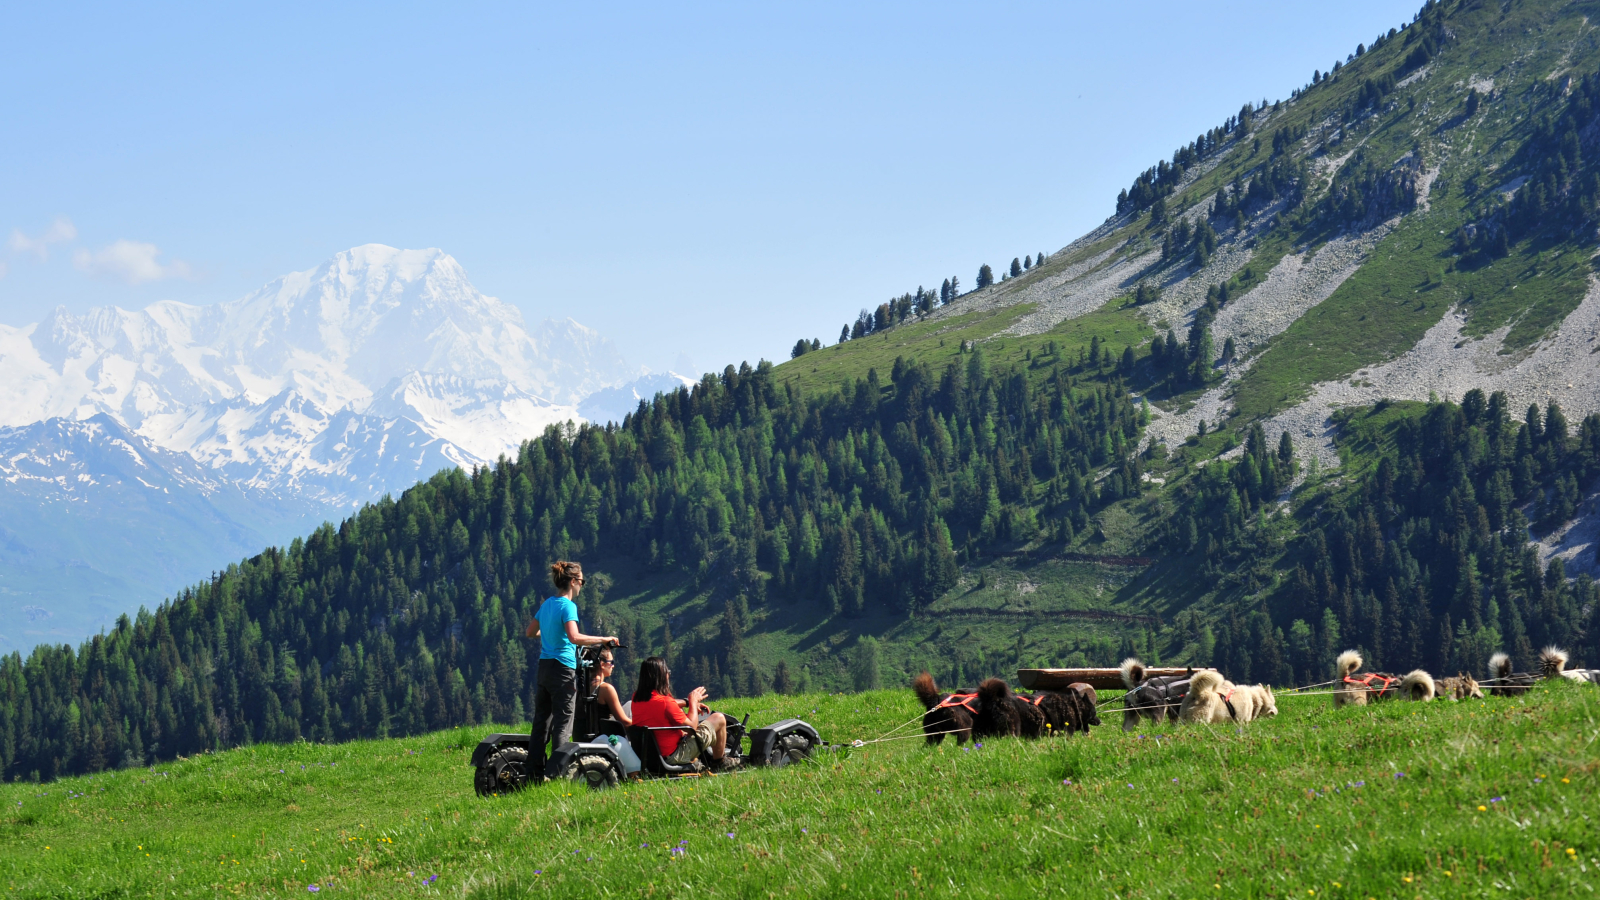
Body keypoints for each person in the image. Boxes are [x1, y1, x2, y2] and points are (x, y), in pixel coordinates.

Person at [524, 560, 616, 780]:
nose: (581, 586)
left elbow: (530, 632)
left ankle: (533, 773)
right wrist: (603, 639)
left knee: (541, 723)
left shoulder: (547, 605)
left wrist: (549, 636)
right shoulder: (568, 606)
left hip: (544, 668)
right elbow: (575, 637)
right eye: (582, 582)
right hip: (563, 670)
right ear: (573, 581)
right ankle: (558, 774)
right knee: (564, 723)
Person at [629, 656, 737, 771]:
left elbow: (667, 704)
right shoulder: (665, 703)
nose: (669, 675)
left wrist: (686, 703)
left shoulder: (637, 698)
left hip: (651, 757)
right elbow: (691, 727)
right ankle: (719, 763)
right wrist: (693, 701)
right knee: (718, 718)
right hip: (674, 756)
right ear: (661, 676)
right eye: (667, 672)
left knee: (681, 713)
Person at [587, 647, 642, 776]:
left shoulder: (583, 687)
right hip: (607, 737)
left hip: (594, 733)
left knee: (629, 705)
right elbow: (624, 722)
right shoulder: (606, 688)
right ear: (602, 664)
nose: (613, 666)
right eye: (611, 662)